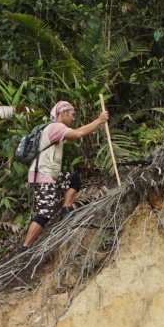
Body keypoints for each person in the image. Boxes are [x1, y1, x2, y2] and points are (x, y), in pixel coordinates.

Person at [23, 98, 109, 248]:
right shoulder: (56, 127)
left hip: (49, 175)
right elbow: (78, 133)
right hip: (42, 175)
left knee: (72, 180)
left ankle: (66, 210)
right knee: (45, 212)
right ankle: (25, 247)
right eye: (72, 114)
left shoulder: (53, 128)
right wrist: (99, 120)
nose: (73, 117)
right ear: (62, 113)